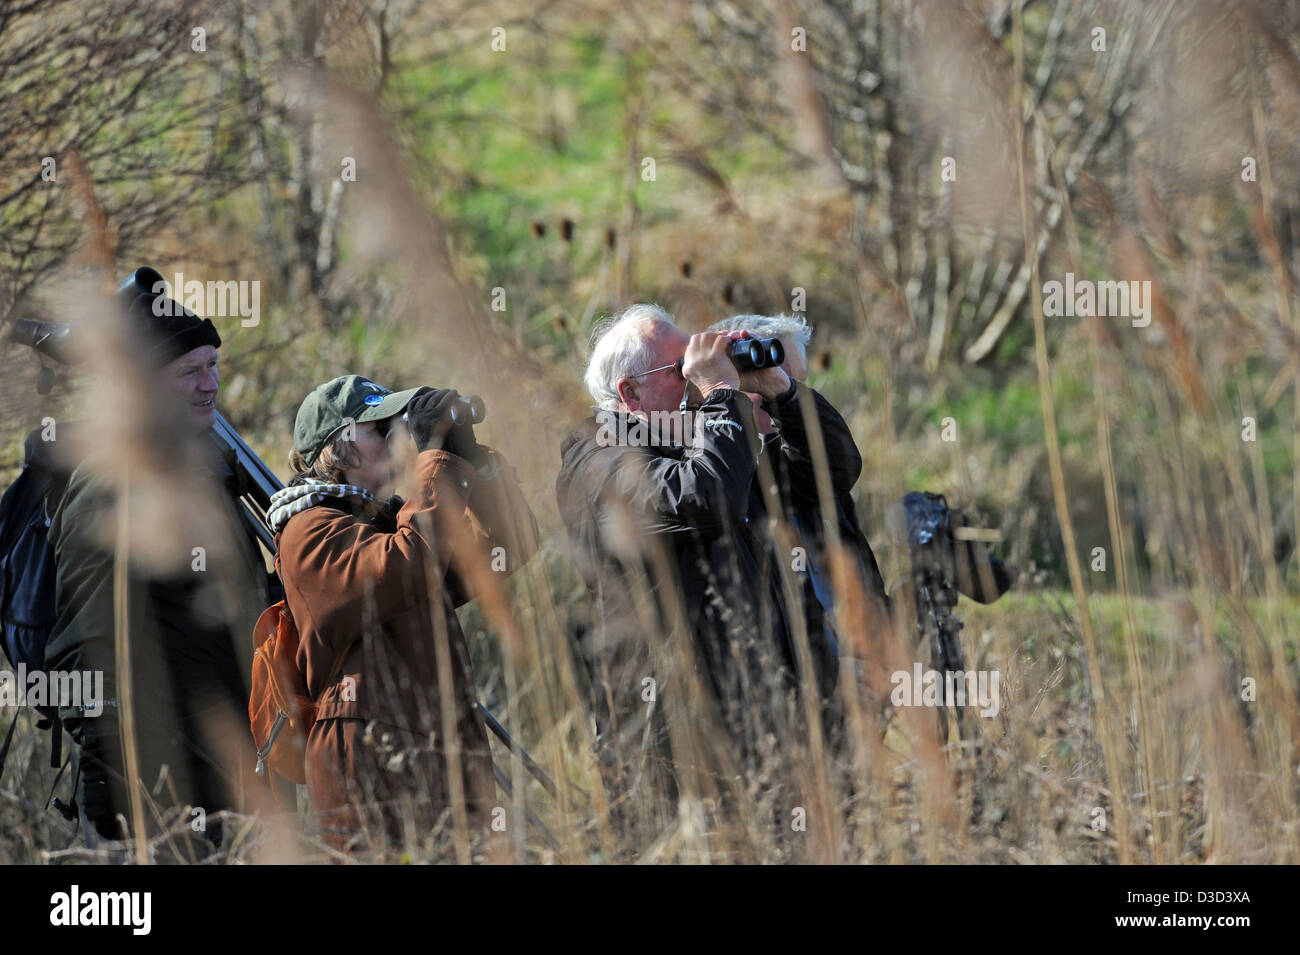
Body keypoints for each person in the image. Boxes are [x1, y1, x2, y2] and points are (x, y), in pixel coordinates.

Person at [556, 304, 817, 814]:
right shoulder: (599, 461)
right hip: (667, 742)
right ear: (630, 394)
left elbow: (827, 476)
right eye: (681, 373)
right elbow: (708, 500)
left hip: (744, 722)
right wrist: (721, 396)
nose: (696, 383)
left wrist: (779, 391)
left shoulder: (694, 442)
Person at [268, 375, 537, 857]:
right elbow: (406, 564)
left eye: (400, 425)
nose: (400, 437)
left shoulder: (390, 520)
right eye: (382, 428)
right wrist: (435, 461)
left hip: (435, 757)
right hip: (371, 771)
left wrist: (474, 463)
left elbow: (508, 546)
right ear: (338, 447)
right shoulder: (306, 532)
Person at [45, 275, 271, 846]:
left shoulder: (198, 479)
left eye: (213, 364)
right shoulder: (107, 490)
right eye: (188, 372)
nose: (211, 385)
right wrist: (121, 782)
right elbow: (81, 647)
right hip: (161, 789)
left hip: (233, 770)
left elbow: (237, 605)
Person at [707, 313, 891, 706]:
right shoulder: (719, 480)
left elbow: (860, 571)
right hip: (791, 709)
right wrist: (825, 675)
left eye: (795, 383)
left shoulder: (812, 465)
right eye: (767, 383)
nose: (784, 395)